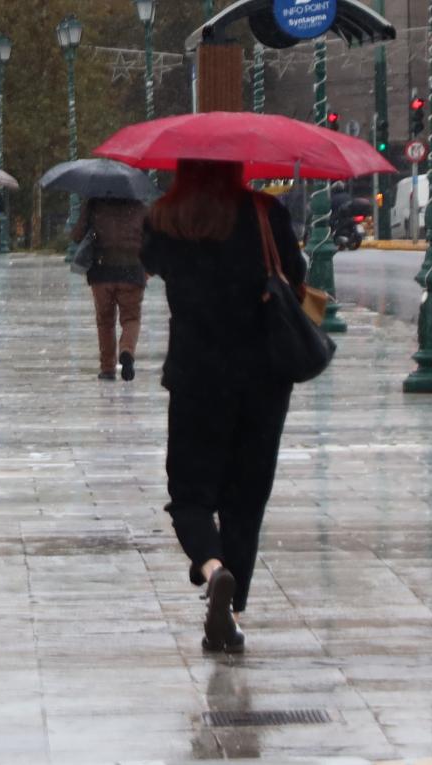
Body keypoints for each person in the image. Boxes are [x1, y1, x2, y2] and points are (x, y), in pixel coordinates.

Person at [139, 159, 306, 654]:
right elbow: (295, 276)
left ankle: (213, 570)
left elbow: (151, 263)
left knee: (189, 496)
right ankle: (228, 616)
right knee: (245, 500)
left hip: (196, 376)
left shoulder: (165, 217)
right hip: (263, 378)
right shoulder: (264, 212)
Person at [71, 196, 147, 381]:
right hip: (132, 270)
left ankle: (107, 368)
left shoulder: (95, 201)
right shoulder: (139, 204)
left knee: (105, 321)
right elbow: (153, 237)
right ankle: (127, 350)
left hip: (102, 270)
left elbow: (77, 235)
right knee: (131, 318)